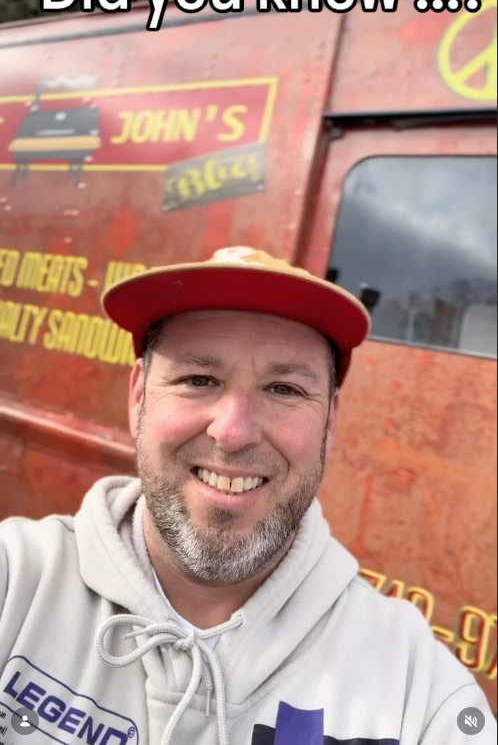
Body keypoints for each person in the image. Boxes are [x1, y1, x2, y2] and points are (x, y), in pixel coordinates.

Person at [0, 246, 495, 745]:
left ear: (330, 422)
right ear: (138, 398)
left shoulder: (416, 688)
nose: (233, 431)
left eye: (284, 389)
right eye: (198, 379)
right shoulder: (15, 582)